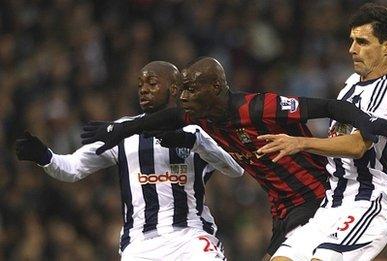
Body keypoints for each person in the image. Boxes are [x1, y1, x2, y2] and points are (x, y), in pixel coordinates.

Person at [80, 56, 387, 260]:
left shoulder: (257, 107)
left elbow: (329, 107)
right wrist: (118, 130)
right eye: (183, 90)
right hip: (282, 206)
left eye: (192, 89)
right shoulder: (201, 116)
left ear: (216, 87)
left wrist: (368, 122)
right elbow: (164, 118)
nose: (183, 96)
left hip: (314, 197)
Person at [15, 61, 244, 260]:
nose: (143, 90)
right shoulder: (123, 132)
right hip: (141, 244)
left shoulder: (195, 130)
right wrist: (45, 156)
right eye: (140, 85)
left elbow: (235, 169)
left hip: (191, 237)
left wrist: (195, 142)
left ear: (174, 88)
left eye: (152, 83)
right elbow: (73, 168)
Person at [257, 3, 387, 261]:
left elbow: (357, 145)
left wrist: (300, 143)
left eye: (362, 42)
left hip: (366, 202)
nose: (352, 49)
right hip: (331, 203)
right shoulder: (351, 84)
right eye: (351, 41)